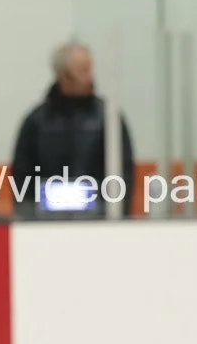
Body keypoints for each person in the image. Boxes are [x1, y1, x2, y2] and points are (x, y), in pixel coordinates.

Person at [9, 39, 136, 220]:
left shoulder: (108, 118)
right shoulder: (36, 122)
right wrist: (28, 217)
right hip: (45, 223)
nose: (90, 77)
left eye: (90, 69)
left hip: (99, 221)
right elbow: (22, 176)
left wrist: (117, 214)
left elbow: (124, 172)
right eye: (83, 70)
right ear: (64, 76)